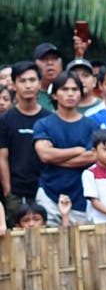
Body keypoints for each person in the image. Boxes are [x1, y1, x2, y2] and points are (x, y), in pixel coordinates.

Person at [33, 71, 99, 225]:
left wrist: (56, 157)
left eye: (75, 89)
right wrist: (77, 150)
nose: (70, 94)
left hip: (83, 197)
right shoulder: (43, 124)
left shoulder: (91, 125)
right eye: (64, 89)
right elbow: (45, 155)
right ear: (55, 95)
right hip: (49, 194)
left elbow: (92, 157)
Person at [0, 61, 50, 226]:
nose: (28, 85)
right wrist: (8, 191)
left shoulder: (49, 119)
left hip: (46, 189)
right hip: (16, 191)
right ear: (14, 85)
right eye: (22, 81)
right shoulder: (5, 120)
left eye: (32, 80)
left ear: (39, 83)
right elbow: (2, 157)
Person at [33, 42, 63, 111]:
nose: (50, 63)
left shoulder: (72, 92)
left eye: (54, 59)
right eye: (44, 59)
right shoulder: (29, 95)